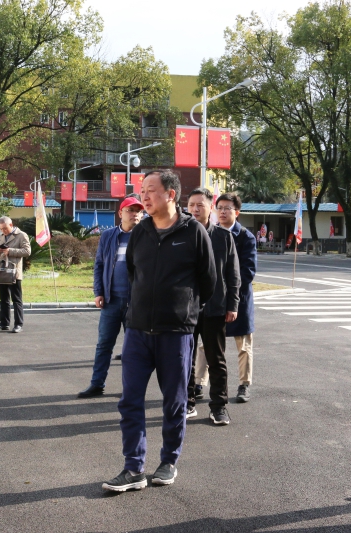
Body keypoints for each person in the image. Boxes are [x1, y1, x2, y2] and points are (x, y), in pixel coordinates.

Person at [102, 170, 216, 492]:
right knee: (130, 401)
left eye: (150, 190)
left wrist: (185, 312)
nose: (144, 197)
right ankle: (133, 468)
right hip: (137, 331)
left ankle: (168, 461)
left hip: (176, 333)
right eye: (142, 191)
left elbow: (208, 282)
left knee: (174, 402)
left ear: (171, 194)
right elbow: (133, 272)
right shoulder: (140, 233)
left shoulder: (194, 233)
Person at [77, 195, 144, 398]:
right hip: (111, 301)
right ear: (120, 214)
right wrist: (98, 291)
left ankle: (131, 389)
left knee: (133, 349)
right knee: (104, 345)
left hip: (136, 303)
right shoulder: (108, 236)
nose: (135, 214)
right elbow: (99, 265)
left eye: (139, 211)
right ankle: (97, 383)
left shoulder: (145, 237)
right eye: (131, 210)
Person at [185, 188, 240, 425]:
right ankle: (186, 403)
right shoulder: (181, 234)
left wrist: (233, 304)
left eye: (200, 205)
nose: (196, 209)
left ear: (211, 207)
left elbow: (233, 274)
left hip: (216, 307)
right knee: (184, 358)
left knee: (216, 359)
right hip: (186, 307)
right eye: (191, 205)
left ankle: (219, 407)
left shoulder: (223, 237)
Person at [215, 193, 257, 402]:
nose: (223, 212)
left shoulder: (246, 237)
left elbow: (248, 271)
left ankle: (244, 384)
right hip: (214, 299)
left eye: (227, 208)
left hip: (238, 298)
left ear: (236, 212)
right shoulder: (209, 234)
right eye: (220, 207)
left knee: (244, 345)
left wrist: (229, 292)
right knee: (207, 344)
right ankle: (198, 383)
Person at [0, 216, 31, 333]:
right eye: (1, 229)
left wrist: (10, 251)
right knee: (3, 299)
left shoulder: (21, 235)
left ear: (11, 225)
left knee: (16, 299)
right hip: (2, 270)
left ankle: (18, 324)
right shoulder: (0, 236)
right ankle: (4, 323)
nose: (3, 231)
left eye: (5, 228)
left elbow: (27, 251)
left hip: (14, 271)